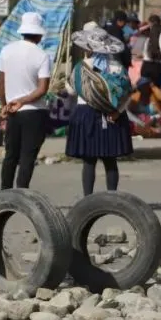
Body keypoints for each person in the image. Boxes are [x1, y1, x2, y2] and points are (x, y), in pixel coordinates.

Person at [66, 26, 134, 195]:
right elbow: (127, 94)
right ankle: (112, 195)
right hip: (113, 115)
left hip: (87, 114)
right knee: (110, 160)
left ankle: (88, 198)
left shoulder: (81, 67)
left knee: (89, 161)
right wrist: (117, 112)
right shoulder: (117, 67)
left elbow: (72, 91)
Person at [0, 11, 52, 190]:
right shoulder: (42, 55)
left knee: (10, 155)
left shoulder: (6, 51)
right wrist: (23, 100)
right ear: (38, 34)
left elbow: (1, 84)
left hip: (13, 112)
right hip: (35, 113)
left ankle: (4, 193)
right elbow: (42, 89)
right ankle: (21, 193)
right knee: (28, 157)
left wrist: (5, 105)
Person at [141, 15, 161, 88]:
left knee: (145, 89)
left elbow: (145, 52)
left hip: (147, 64)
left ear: (151, 23)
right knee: (157, 89)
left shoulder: (149, 38)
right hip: (159, 65)